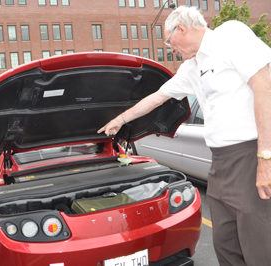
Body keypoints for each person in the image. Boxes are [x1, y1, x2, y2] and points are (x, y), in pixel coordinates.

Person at [98, 6, 271, 266]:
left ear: (182, 29)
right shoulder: (192, 67)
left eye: (169, 41)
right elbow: (157, 98)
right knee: (225, 243)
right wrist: (119, 120)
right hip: (219, 163)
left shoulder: (231, 35)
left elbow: (265, 86)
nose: (170, 48)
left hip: (248, 154)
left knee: (258, 243)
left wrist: (265, 158)